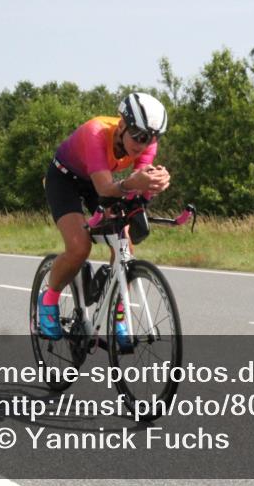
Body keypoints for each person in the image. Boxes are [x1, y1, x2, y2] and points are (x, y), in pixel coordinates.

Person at [38, 92, 171, 340]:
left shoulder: (146, 143)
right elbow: (106, 189)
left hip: (102, 179)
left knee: (124, 244)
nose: (143, 144)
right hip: (66, 178)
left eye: (151, 139)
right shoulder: (96, 132)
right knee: (79, 247)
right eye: (139, 136)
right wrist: (135, 183)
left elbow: (136, 188)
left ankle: (117, 313)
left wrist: (152, 185)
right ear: (122, 124)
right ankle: (48, 299)